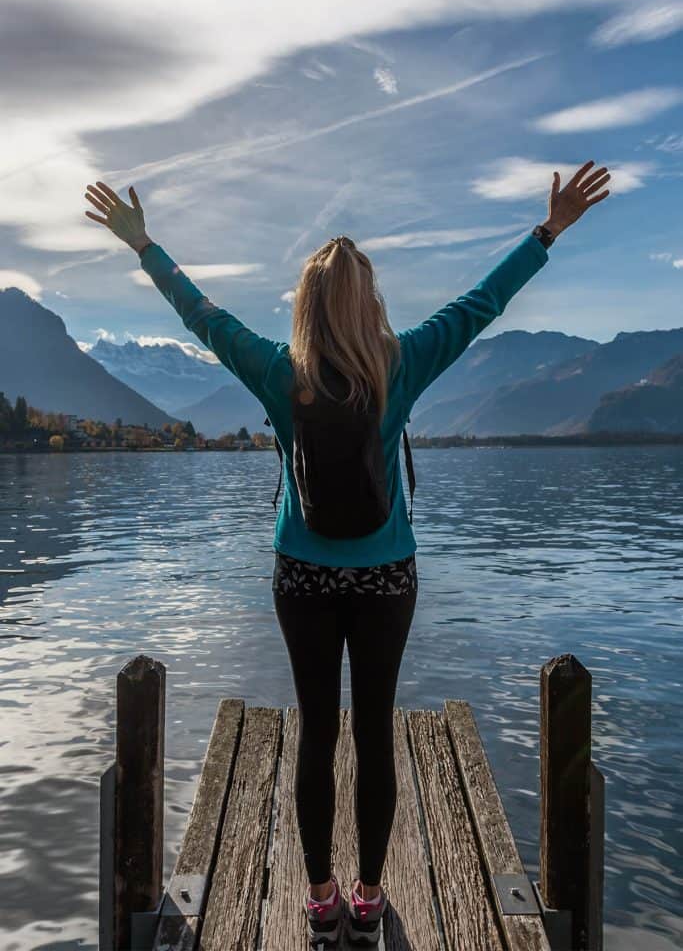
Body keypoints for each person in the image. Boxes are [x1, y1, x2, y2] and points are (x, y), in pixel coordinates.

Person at [84, 160, 611, 946]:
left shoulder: (277, 371)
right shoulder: (399, 363)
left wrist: (145, 247)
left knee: (315, 732)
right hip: (385, 576)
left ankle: (320, 897)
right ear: (369, 304)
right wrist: (546, 232)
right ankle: (369, 897)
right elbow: (479, 307)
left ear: (305, 305)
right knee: (372, 732)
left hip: (299, 572)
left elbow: (201, 314)